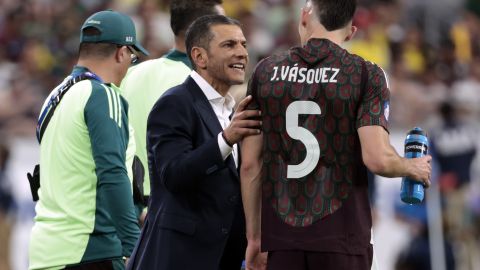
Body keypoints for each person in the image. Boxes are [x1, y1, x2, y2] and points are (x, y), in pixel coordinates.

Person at [240, 1, 432, 270]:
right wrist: (412, 167)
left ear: (305, 16)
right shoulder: (366, 74)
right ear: (351, 32)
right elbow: (377, 159)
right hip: (342, 236)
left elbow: (250, 164)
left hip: (282, 239)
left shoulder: (265, 72)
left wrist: (255, 237)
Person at [127, 15, 261, 270]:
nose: (242, 53)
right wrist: (225, 140)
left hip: (223, 258)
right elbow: (174, 174)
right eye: (229, 45)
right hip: (179, 257)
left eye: (243, 44)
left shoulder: (232, 111)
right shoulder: (175, 103)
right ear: (200, 57)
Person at [29, 10, 148, 270]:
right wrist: (134, 245)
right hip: (90, 251)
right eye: (132, 57)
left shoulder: (54, 96)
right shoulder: (104, 95)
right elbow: (112, 172)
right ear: (121, 52)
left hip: (45, 251)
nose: (130, 64)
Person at [120, 0, 224, 211]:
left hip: (128, 211)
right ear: (201, 34)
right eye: (223, 30)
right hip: (175, 214)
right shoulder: (199, 87)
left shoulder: (131, 74)